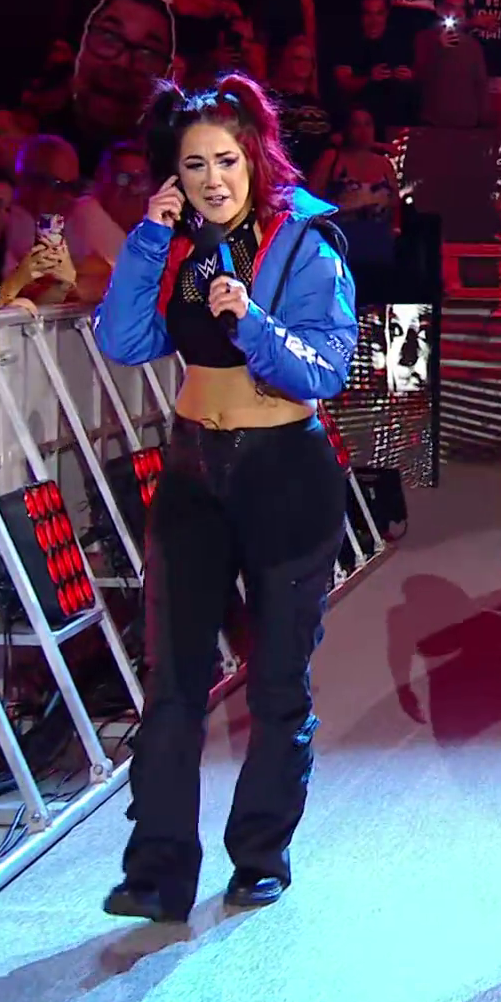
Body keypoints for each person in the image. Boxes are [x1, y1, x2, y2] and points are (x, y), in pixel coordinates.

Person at [92, 74, 357, 921]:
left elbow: (325, 368)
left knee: (277, 679)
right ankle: (157, 871)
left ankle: (260, 855)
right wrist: (147, 237)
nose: (213, 179)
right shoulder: (173, 242)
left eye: (227, 161)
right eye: (194, 164)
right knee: (172, 679)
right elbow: (123, 339)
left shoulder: (307, 240)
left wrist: (251, 322)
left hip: (287, 472)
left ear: (256, 158)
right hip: (193, 469)